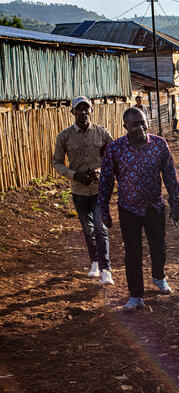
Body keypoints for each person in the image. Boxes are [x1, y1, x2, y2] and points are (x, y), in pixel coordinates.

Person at [98, 107, 179, 311]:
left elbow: (170, 174)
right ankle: (135, 295)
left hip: (154, 205)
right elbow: (106, 180)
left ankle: (159, 277)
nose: (141, 127)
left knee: (158, 246)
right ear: (125, 126)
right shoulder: (115, 149)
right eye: (135, 124)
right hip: (129, 208)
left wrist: (175, 202)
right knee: (132, 252)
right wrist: (104, 210)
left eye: (143, 122)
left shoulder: (159, 144)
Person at [52, 96, 114, 284]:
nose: (83, 112)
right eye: (79, 109)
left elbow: (113, 156)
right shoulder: (65, 136)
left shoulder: (102, 133)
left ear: (91, 111)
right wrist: (74, 174)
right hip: (79, 189)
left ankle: (105, 269)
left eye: (86, 108)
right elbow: (56, 162)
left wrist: (100, 170)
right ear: (73, 112)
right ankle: (94, 261)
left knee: (99, 226)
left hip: (99, 189)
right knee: (88, 229)